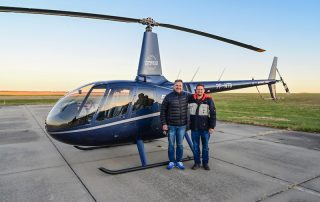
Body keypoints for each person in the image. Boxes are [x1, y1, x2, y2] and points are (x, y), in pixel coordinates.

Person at [160, 79, 189, 170]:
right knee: (171, 145)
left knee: (180, 145)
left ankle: (179, 161)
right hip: (171, 126)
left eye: (180, 85)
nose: (178, 87)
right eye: (176, 85)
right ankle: (172, 161)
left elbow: (197, 98)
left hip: (182, 125)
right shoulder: (168, 97)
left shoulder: (186, 95)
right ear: (173, 86)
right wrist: (164, 123)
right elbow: (163, 111)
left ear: (182, 86)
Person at [189, 83, 216, 170]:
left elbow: (213, 114)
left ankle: (205, 163)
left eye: (201, 89)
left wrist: (212, 127)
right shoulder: (191, 99)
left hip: (205, 129)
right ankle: (197, 163)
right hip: (194, 128)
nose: (199, 91)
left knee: (205, 147)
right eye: (198, 89)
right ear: (195, 90)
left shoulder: (209, 100)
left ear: (203, 91)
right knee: (195, 147)